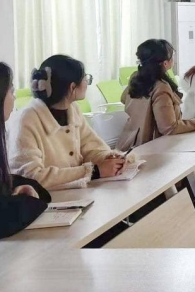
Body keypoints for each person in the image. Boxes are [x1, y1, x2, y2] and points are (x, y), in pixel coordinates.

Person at [10, 55, 128, 190]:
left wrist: (109, 158)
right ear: (72, 87)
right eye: (85, 78)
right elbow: (31, 177)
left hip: (77, 195)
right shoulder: (26, 119)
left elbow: (90, 146)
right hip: (46, 200)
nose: (87, 83)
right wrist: (94, 172)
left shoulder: (72, 109)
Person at [118, 40, 195, 149]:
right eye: (172, 56)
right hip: (153, 147)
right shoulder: (161, 87)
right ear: (165, 63)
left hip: (129, 144)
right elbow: (169, 127)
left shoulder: (136, 78)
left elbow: (123, 99)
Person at [0, 61, 51, 240]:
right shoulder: (28, 115)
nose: (14, 97)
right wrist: (28, 200)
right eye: (11, 90)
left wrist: (21, 188)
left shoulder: (74, 112)